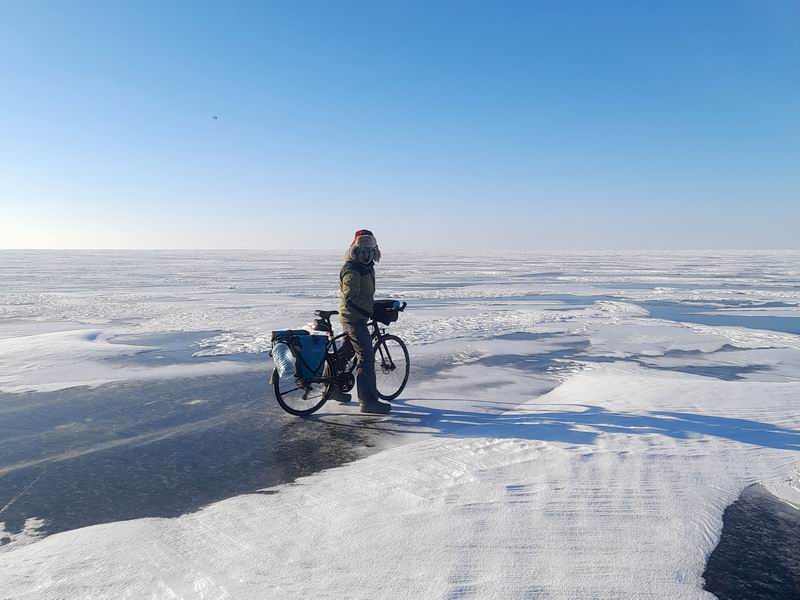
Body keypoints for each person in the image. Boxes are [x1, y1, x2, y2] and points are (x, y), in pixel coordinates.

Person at [333, 229, 391, 414]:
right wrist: (370, 309)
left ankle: (332, 389)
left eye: (370, 245)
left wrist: (375, 306)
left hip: (357, 315)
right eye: (363, 245)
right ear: (355, 246)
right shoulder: (352, 269)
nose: (366, 250)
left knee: (345, 353)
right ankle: (368, 401)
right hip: (353, 318)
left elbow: (364, 294)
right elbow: (351, 298)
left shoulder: (366, 267)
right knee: (365, 356)